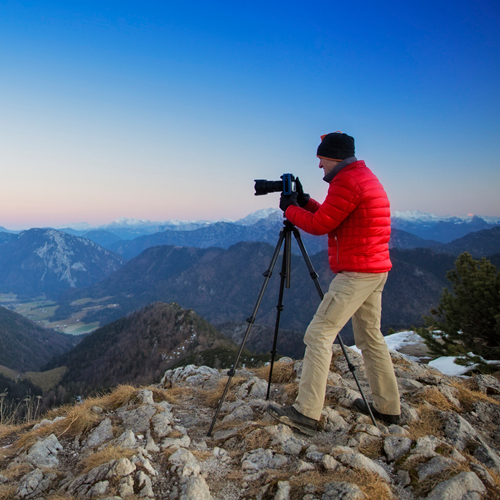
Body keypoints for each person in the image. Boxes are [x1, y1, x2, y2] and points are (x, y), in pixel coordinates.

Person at [267, 131, 400, 436]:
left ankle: (306, 412)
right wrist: (305, 201)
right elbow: (334, 215)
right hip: (375, 268)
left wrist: (289, 208)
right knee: (369, 337)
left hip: (357, 273)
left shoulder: (348, 181)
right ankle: (388, 407)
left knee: (318, 334)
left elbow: (320, 224)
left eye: (321, 159)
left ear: (334, 157)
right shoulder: (361, 177)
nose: (319, 167)